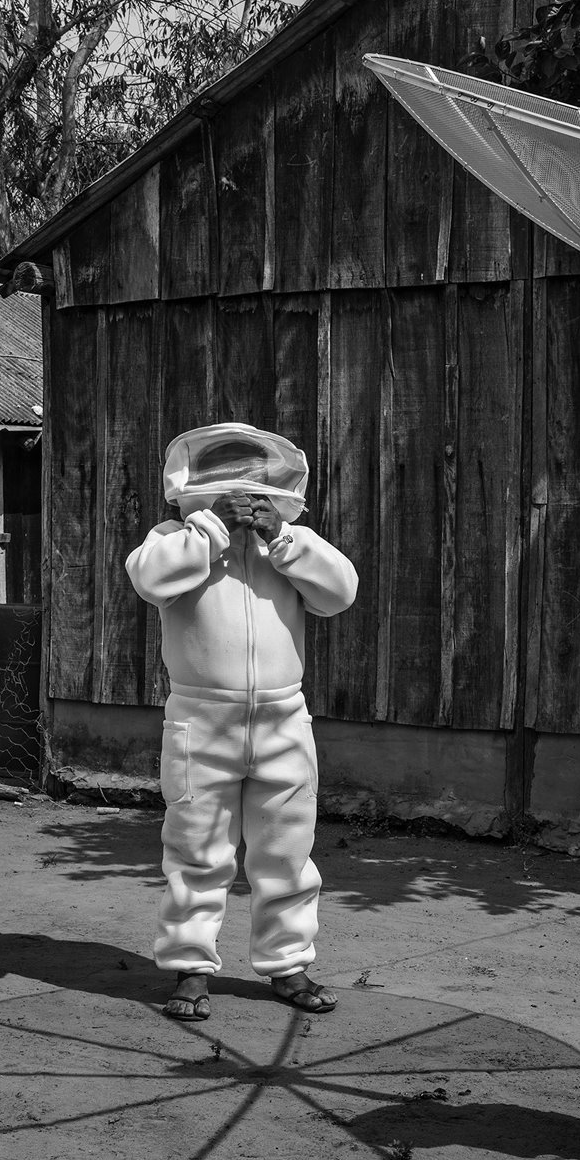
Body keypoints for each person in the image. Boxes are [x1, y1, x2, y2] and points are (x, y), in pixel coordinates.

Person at [124, 423, 359, 1021]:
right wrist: (211, 530)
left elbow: (340, 593)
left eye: (253, 483)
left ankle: (289, 967)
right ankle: (190, 970)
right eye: (228, 481)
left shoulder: (291, 542)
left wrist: (283, 538)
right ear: (198, 485)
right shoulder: (176, 538)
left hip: (284, 718)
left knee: (286, 851)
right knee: (198, 851)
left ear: (273, 486)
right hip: (201, 721)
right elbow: (148, 579)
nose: (243, 493)